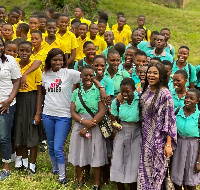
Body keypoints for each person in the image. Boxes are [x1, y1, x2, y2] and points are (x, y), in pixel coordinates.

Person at [42, 48, 81, 184]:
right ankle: (55, 170)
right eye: (55, 59)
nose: (58, 62)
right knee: (51, 145)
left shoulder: (69, 73)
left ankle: (62, 177)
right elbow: (44, 91)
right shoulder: (44, 74)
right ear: (49, 61)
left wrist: (101, 89)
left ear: (64, 61)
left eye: (60, 59)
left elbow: (88, 76)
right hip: (47, 114)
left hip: (63, 116)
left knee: (59, 147)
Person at [138, 61, 177, 189]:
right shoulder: (147, 90)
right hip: (145, 140)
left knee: (157, 175)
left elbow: (169, 121)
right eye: (149, 72)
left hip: (159, 141)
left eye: (155, 73)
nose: (151, 75)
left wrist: (168, 144)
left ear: (161, 75)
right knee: (145, 173)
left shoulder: (165, 94)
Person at [68, 65, 107, 190]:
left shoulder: (98, 92)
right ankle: (80, 181)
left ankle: (96, 184)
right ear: (81, 76)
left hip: (95, 124)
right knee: (79, 152)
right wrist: (83, 122)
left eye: (91, 75)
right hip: (80, 125)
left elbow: (102, 111)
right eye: (85, 75)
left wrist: (89, 124)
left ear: (94, 76)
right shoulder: (76, 92)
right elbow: (72, 111)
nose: (88, 78)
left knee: (97, 154)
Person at [14, 41, 42, 174]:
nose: (24, 53)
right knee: (20, 130)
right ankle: (23, 160)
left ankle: (32, 163)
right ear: (18, 51)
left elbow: (39, 92)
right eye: (22, 50)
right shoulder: (14, 64)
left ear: (32, 52)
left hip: (31, 99)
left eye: (27, 51)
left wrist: (38, 112)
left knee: (32, 132)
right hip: (17, 99)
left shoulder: (35, 67)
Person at [110, 78, 141, 190]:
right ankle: (120, 187)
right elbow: (113, 119)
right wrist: (115, 125)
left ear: (133, 89)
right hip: (122, 132)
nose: (124, 94)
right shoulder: (117, 101)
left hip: (137, 132)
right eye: (122, 91)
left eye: (127, 91)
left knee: (134, 162)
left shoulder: (140, 100)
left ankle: (133, 186)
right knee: (119, 160)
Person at [0, 36, 21, 180]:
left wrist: (10, 99)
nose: (0, 48)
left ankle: (6, 167)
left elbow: (17, 80)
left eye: (1, 45)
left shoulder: (10, 60)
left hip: (5, 105)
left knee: (4, 136)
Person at [170, 88, 200, 189]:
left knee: (191, 181)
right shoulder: (177, 111)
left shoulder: (199, 116)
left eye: (192, 98)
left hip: (193, 148)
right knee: (177, 180)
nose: (188, 100)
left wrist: (199, 161)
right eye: (186, 97)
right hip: (178, 146)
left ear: (198, 101)